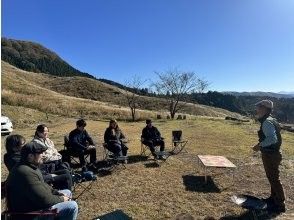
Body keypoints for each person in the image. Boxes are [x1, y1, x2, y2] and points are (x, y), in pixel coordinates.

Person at [6, 141, 78, 219]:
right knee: (72, 206)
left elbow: (43, 185)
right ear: (30, 156)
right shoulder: (25, 173)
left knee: (67, 192)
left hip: (35, 204)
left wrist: (56, 193)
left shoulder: (30, 166)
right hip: (31, 214)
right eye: (40, 153)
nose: (43, 155)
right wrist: (62, 199)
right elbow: (45, 201)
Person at [253, 100, 286, 213]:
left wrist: (259, 145)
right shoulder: (272, 119)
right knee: (272, 177)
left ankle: (280, 203)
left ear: (264, 109)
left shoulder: (267, 122)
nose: (257, 109)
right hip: (274, 153)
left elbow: (272, 139)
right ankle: (273, 199)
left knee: (274, 179)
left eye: (258, 107)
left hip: (270, 154)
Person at [33, 124, 73, 190]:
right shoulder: (36, 143)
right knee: (65, 172)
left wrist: (56, 155)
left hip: (56, 162)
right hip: (47, 166)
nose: (46, 133)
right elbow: (45, 157)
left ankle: (66, 188)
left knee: (66, 166)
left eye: (47, 131)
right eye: (43, 131)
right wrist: (56, 156)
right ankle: (63, 189)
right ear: (38, 132)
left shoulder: (48, 140)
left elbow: (55, 151)